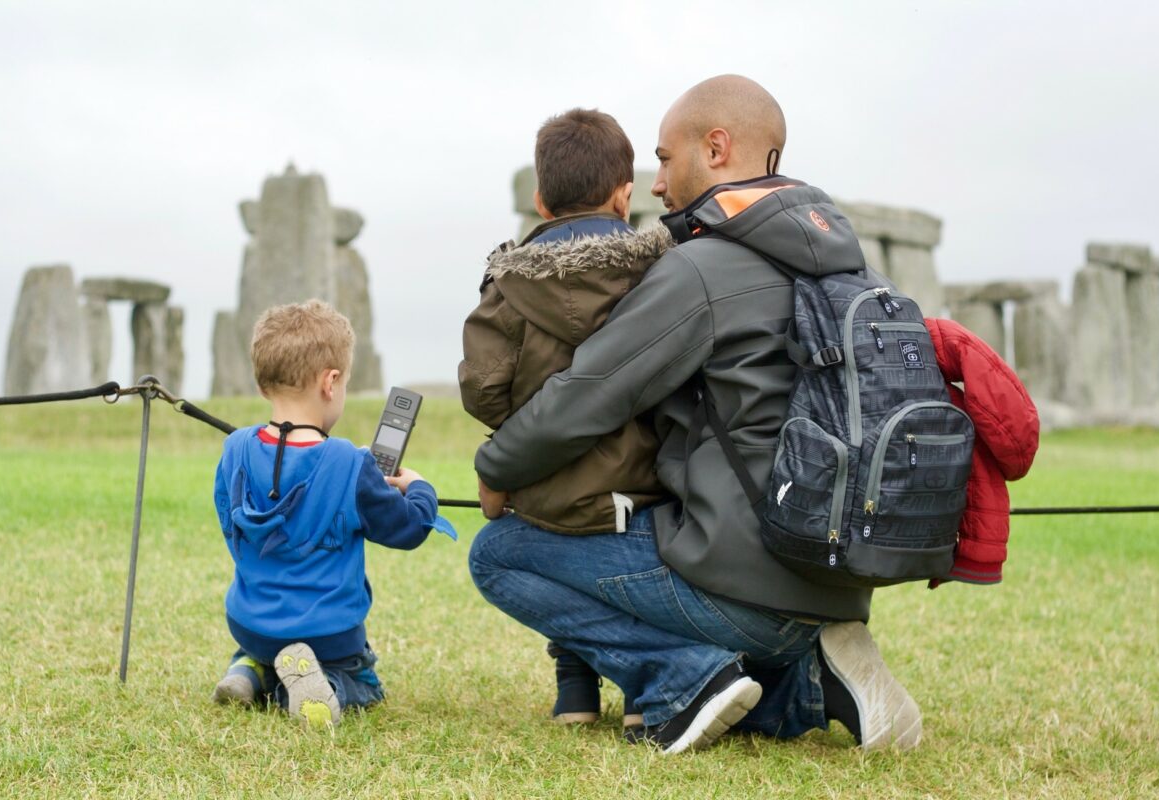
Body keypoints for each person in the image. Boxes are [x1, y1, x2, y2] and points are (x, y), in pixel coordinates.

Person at [468, 75, 922, 754]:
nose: (653, 183)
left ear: (715, 148)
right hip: (833, 578)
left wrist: (494, 467)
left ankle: (681, 681)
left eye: (662, 157)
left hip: (741, 584)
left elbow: (586, 397)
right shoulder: (847, 266)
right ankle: (809, 683)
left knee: (498, 554)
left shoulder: (702, 269)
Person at [459, 108, 672, 733]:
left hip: (542, 489)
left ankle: (574, 690)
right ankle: (639, 697)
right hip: (644, 491)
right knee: (623, 580)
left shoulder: (508, 285)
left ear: (540, 200)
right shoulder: (660, 275)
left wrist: (524, 425)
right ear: (624, 193)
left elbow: (481, 387)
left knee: (554, 566)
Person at [211, 299, 446, 727]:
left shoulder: (235, 449)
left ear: (263, 384)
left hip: (250, 623)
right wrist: (419, 489)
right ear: (330, 382)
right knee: (363, 678)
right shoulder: (351, 465)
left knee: (264, 645)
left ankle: (248, 670)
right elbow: (408, 529)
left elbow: (230, 525)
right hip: (329, 635)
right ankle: (325, 688)